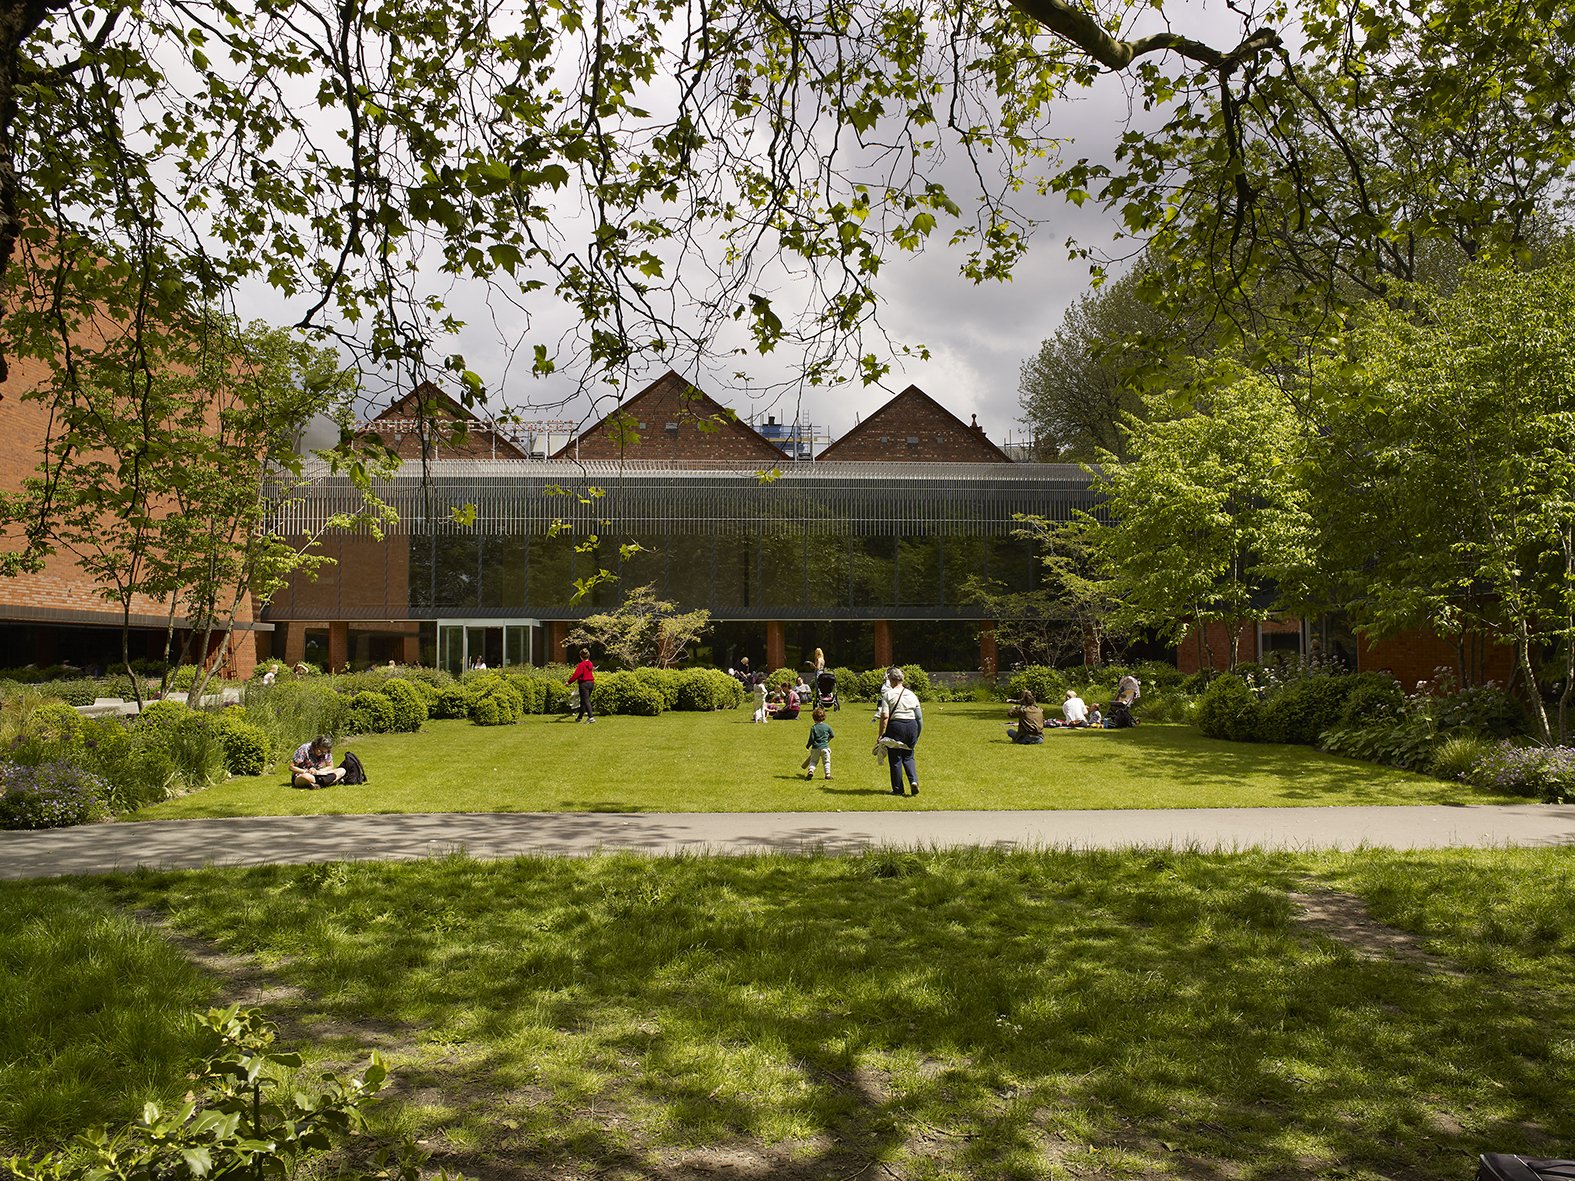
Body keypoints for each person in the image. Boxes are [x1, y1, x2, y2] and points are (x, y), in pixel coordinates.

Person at [876, 667, 921, 797]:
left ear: (892, 680)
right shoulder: (912, 694)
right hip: (911, 726)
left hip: (896, 727)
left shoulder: (888, 695)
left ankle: (898, 789)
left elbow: (884, 717)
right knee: (909, 756)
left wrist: (880, 734)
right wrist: (918, 732)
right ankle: (913, 781)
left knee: (895, 758)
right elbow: (919, 717)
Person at [802, 706, 834, 779]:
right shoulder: (827, 726)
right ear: (824, 717)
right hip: (825, 748)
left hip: (815, 748)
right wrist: (827, 739)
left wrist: (808, 745)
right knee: (826, 762)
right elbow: (832, 735)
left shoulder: (814, 727)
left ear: (814, 718)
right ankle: (827, 775)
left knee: (813, 761)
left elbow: (812, 738)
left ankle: (810, 771)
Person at [567, 646, 596, 722]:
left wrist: (569, 682)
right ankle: (579, 718)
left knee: (585, 700)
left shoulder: (581, 665)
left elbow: (576, 675)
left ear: (581, 657)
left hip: (584, 684)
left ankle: (591, 717)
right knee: (583, 701)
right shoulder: (590, 664)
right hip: (591, 683)